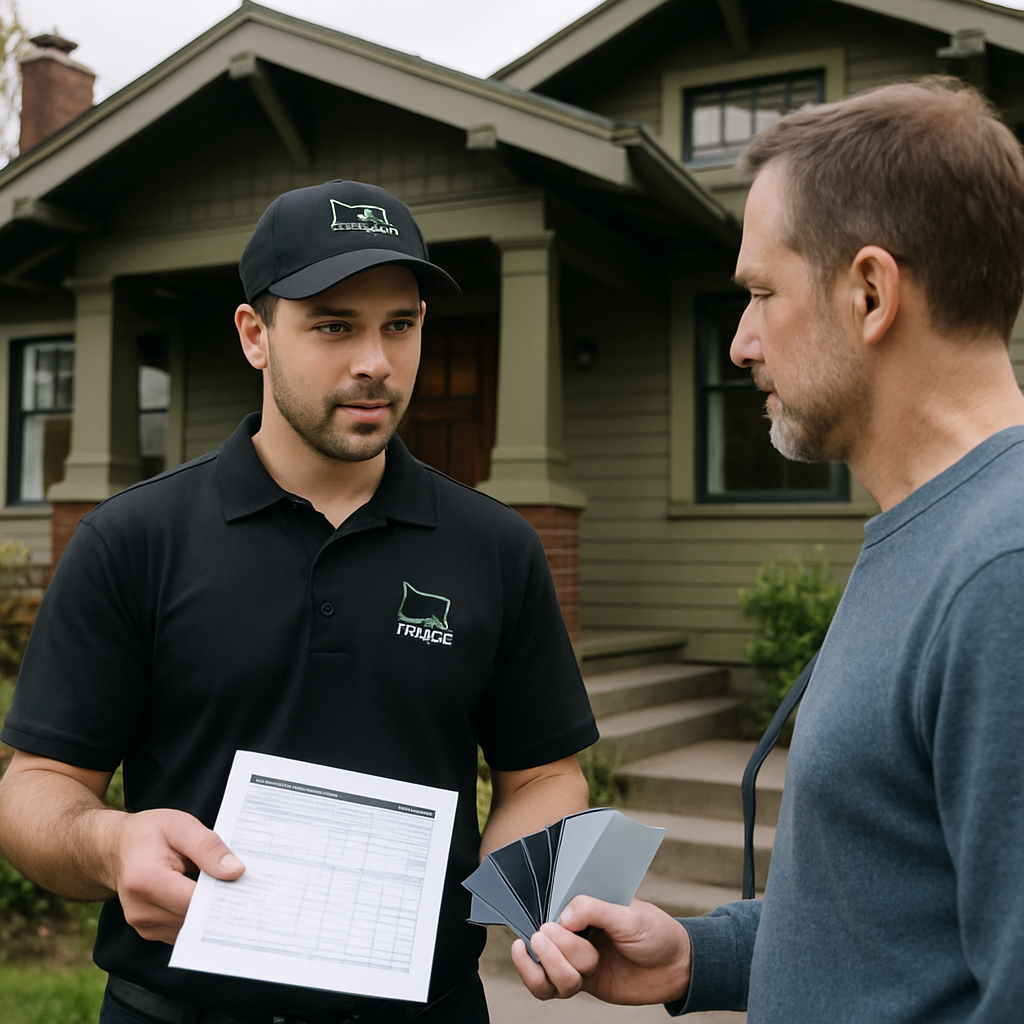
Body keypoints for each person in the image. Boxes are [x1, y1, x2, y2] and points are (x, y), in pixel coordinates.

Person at [0, 179, 599, 1024]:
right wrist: (108, 843)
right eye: (332, 325)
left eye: (401, 323)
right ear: (255, 336)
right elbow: (36, 790)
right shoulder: (131, 541)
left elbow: (544, 776)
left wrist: (526, 899)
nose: (375, 363)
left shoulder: (495, 547)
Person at [510, 77, 1024, 1022]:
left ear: (870, 292)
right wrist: (696, 957)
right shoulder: (938, 533)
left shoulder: (1004, 575)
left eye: (759, 293)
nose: (741, 342)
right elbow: (888, 912)